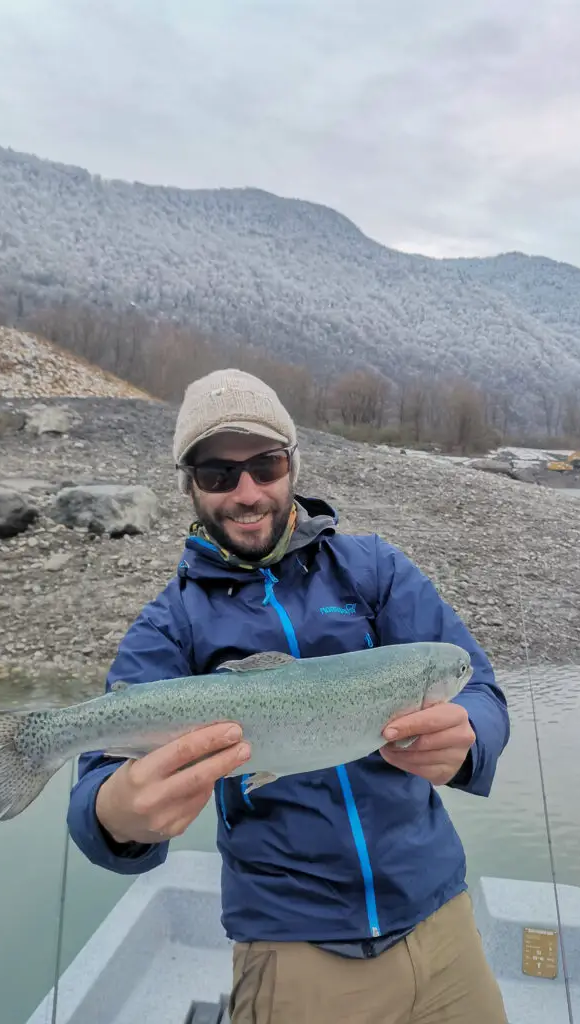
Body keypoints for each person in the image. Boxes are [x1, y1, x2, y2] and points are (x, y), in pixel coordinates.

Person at [67, 367, 511, 1024]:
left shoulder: (374, 571)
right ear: (190, 486)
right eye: (218, 475)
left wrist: (468, 737)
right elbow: (94, 795)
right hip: (291, 946)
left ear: (292, 465)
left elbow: (484, 692)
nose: (246, 493)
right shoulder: (170, 624)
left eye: (265, 465)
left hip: (440, 920)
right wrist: (118, 816)